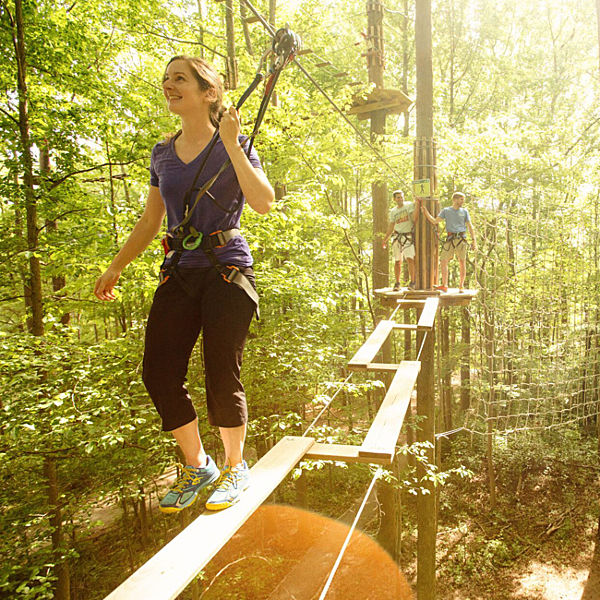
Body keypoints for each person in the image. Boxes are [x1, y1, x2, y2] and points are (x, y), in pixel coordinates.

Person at [94, 56, 274, 513]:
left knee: (220, 369)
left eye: (179, 79)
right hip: (179, 270)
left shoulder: (236, 143)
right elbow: (152, 220)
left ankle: (236, 467)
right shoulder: (162, 153)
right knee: (158, 372)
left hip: (226, 270)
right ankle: (199, 465)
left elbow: (263, 202)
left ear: (208, 92)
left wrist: (233, 144)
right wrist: (116, 265)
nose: (168, 85)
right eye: (166, 79)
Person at [421, 191, 476, 292]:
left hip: (461, 239)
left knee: (462, 261)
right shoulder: (446, 211)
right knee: (443, 261)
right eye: (461, 199)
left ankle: (461, 286)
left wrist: (473, 240)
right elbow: (434, 221)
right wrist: (426, 213)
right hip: (450, 238)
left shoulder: (464, 212)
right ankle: (444, 285)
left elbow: (470, 226)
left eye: (463, 200)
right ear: (455, 200)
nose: (462, 202)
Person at [382, 189, 419, 291]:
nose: (400, 199)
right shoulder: (393, 211)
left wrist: (418, 202)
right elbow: (391, 225)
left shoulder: (409, 205)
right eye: (398, 197)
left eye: (402, 197)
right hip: (397, 237)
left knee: (410, 259)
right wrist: (385, 239)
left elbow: (414, 218)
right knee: (398, 261)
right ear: (394, 199)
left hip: (408, 236)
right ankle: (397, 283)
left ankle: (413, 282)